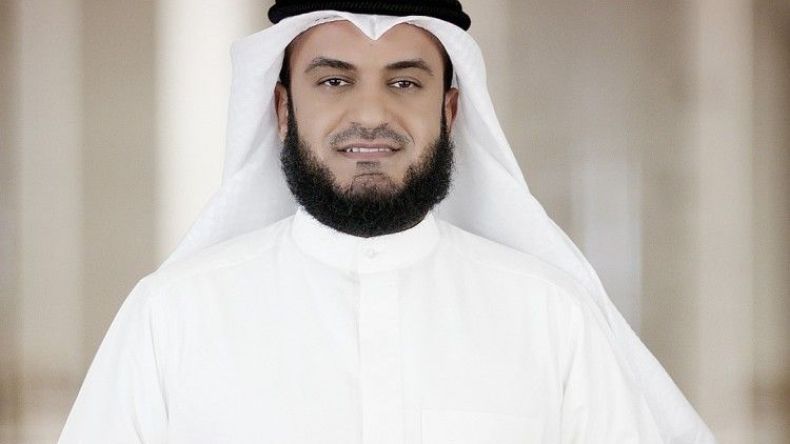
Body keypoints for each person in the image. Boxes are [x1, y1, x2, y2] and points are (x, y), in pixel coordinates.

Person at [58, 1, 716, 443]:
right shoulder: (171, 317)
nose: (371, 114)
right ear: (282, 109)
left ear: (450, 111)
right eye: (334, 81)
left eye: (404, 83)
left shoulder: (552, 317)